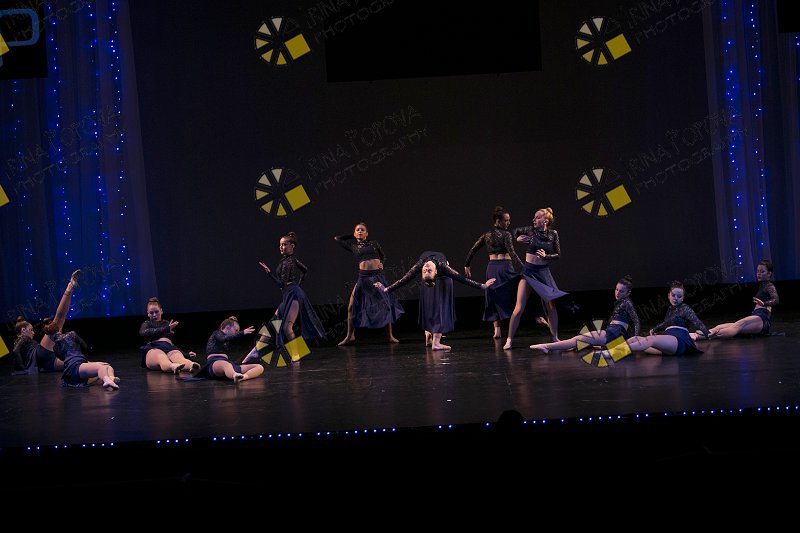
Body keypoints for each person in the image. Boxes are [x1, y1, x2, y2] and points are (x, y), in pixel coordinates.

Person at [375, 251, 496, 350]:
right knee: (434, 308)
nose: (426, 268)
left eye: (426, 271)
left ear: (435, 272)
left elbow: (403, 280)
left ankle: (432, 338)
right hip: (437, 283)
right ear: (436, 272)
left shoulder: (423, 265)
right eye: (427, 271)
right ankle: (433, 339)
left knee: (436, 308)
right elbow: (404, 280)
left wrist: (386, 289)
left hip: (438, 282)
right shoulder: (441, 266)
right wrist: (482, 286)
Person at [241, 232, 326, 364]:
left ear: (292, 246)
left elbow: (281, 284)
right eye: (280, 245)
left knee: (286, 327)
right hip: (290, 294)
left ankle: (296, 355)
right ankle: (256, 351)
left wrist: (269, 273)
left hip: (293, 295)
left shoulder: (288, 262)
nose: (281, 247)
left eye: (284, 244)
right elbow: (305, 270)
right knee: (273, 323)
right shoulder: (290, 259)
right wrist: (298, 286)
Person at [504, 208, 567, 349]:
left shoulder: (553, 234)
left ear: (545, 220)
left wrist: (546, 256)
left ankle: (555, 337)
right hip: (529, 272)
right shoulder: (530, 230)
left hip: (543, 273)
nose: (534, 219)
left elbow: (558, 254)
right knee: (519, 307)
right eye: (534, 217)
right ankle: (509, 339)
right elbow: (514, 232)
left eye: (537, 217)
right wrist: (517, 238)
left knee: (551, 306)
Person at [600, 280, 709, 359]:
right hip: (668, 345)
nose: (676, 298)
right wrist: (655, 329)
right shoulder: (670, 310)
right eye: (673, 295)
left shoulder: (685, 308)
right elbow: (666, 323)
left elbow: (697, 322)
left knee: (650, 340)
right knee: (635, 339)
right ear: (669, 295)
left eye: (679, 296)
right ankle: (614, 350)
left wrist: (707, 333)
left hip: (679, 341)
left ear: (683, 298)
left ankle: (612, 353)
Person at [334, 222, 404, 345]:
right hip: (364, 277)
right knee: (351, 307)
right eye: (357, 230)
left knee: (386, 304)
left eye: (362, 230)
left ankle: (390, 336)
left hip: (377, 276)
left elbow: (383, 255)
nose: (360, 231)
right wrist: (352, 235)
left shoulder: (374, 243)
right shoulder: (353, 246)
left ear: (367, 233)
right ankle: (350, 336)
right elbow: (337, 238)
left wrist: (381, 262)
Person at [530, 275, 639, 353]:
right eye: (616, 289)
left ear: (628, 293)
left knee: (579, 339)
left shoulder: (627, 303)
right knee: (582, 340)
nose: (617, 293)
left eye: (621, 291)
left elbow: (636, 321)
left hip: (614, 333)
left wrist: (635, 338)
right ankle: (562, 346)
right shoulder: (622, 302)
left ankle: (547, 347)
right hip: (613, 333)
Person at [464, 206, 524, 339]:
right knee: (517, 291)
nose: (508, 223)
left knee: (493, 295)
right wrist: (523, 268)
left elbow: (473, 249)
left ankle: (497, 330)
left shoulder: (486, 235)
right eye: (506, 220)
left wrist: (467, 264)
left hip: (492, 268)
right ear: (498, 220)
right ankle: (530, 319)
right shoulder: (506, 235)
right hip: (505, 268)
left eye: (509, 220)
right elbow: (512, 253)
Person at [708, 259, 778, 338]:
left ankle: (708, 335)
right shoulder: (763, 286)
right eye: (758, 271)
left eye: (762, 272)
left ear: (769, 274)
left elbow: (776, 300)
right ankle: (699, 335)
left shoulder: (769, 286)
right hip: (756, 317)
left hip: (762, 320)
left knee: (737, 326)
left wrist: (764, 303)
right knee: (720, 326)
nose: (759, 274)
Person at [43, 321, 119, 389]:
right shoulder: (71, 334)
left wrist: (87, 362)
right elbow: (84, 346)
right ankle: (107, 380)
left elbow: (64, 359)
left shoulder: (55, 348)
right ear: (59, 329)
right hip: (75, 367)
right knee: (101, 367)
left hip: (75, 366)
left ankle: (111, 379)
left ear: (49, 336)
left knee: (107, 367)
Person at [32, 271, 81, 373]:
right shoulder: (22, 340)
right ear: (23, 330)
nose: (32, 332)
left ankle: (70, 287)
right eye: (29, 329)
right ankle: (69, 287)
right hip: (43, 355)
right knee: (59, 319)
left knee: (79, 363)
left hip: (48, 358)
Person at [139, 297, 198, 374]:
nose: (154, 315)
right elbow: (143, 332)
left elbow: (170, 344)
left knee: (178, 357)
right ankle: (172, 366)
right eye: (151, 313)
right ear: (148, 313)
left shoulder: (166, 323)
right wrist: (166, 329)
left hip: (167, 348)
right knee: (161, 358)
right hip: (153, 349)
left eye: (156, 312)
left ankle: (191, 365)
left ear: (161, 311)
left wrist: (186, 354)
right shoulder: (147, 323)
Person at [193, 316, 262, 383]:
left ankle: (243, 377)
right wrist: (242, 333)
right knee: (226, 365)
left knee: (259, 367)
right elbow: (223, 338)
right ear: (228, 328)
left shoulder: (227, 339)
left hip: (227, 364)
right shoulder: (216, 333)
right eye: (236, 330)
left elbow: (229, 338)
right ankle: (234, 375)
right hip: (215, 363)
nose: (236, 333)